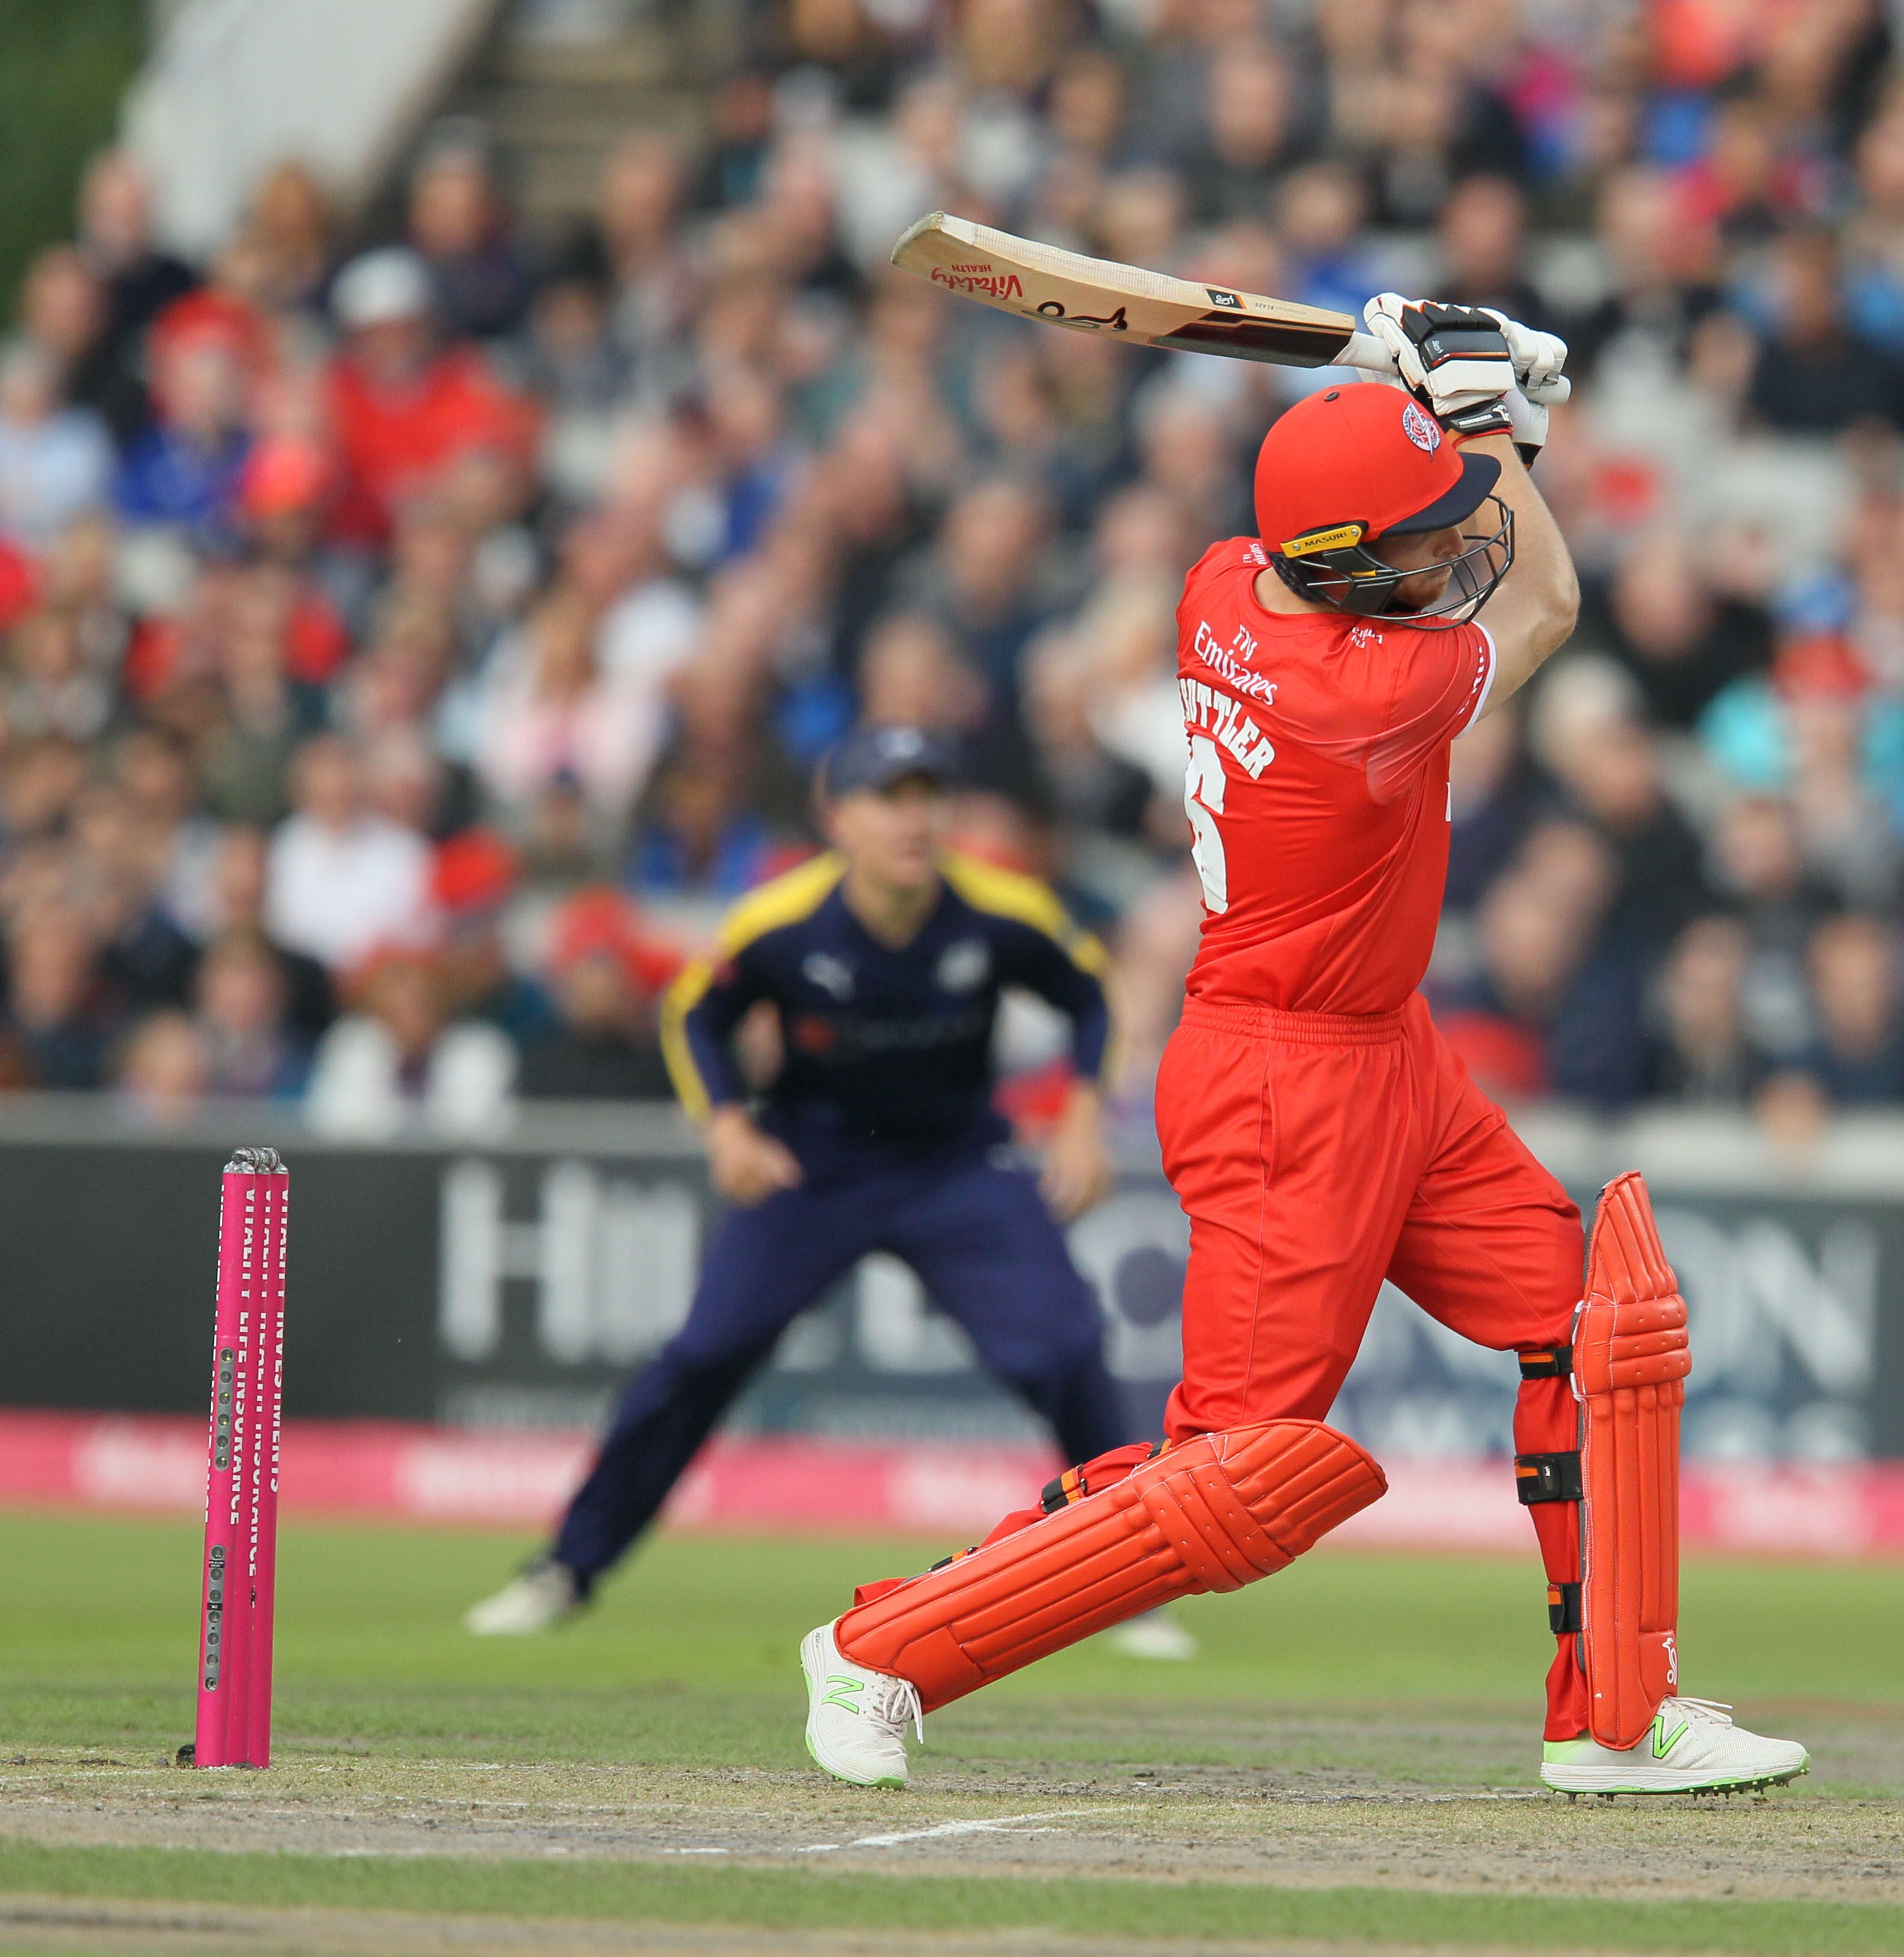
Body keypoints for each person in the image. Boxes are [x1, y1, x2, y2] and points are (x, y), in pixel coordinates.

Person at [799, 303, 1809, 1796]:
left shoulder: (1224, 581)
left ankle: (1616, 1715)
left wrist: (1462, 424)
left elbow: (1446, 540)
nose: (1450, 555)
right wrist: (1489, 422)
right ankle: (882, 1645)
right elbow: (1544, 603)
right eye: (1419, 545)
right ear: (1342, 568)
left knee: (1599, 1326)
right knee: (1238, 1476)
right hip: (1285, 1084)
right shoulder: (1366, 695)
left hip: (1385, 1047)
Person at [466, 724, 1191, 1660]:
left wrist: (1086, 1112)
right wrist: (728, 1127)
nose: (913, 819)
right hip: (813, 1168)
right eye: (889, 799)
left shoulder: (1000, 911)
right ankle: (565, 1568)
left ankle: (1128, 1585)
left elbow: (1088, 994)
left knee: (1064, 1347)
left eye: (928, 796)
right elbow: (696, 1013)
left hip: (956, 1165)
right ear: (838, 816)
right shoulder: (783, 922)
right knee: (701, 1356)